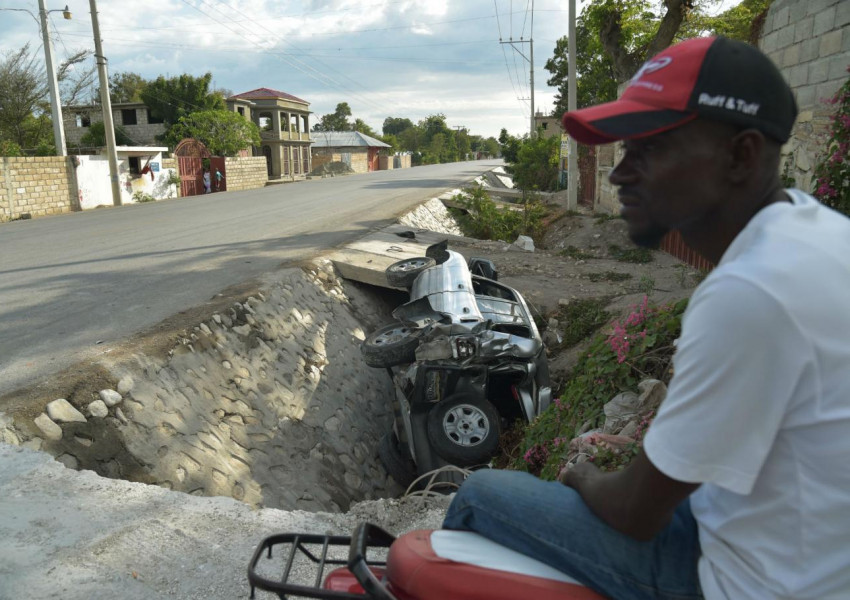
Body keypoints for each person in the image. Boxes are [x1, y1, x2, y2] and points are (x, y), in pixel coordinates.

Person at [442, 36, 850, 600]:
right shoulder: (819, 235)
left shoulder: (750, 292)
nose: (620, 173)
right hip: (802, 550)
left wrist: (581, 476)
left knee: (481, 496)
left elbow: (636, 512)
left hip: (744, 580)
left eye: (649, 149)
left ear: (741, 155)